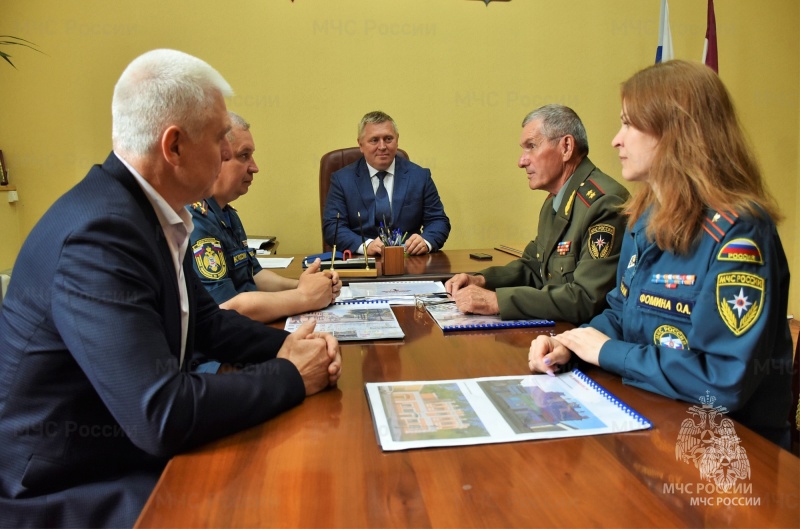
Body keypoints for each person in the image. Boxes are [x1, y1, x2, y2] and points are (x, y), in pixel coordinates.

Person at [0, 49, 342, 527]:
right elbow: (158, 413)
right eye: (223, 138)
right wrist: (290, 376)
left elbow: (206, 322)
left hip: (122, 451)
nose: (229, 153)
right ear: (174, 146)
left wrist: (289, 344)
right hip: (67, 487)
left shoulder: (146, 212)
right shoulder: (100, 235)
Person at [529, 60, 792, 448]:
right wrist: (572, 344)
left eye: (629, 125)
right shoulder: (644, 217)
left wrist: (608, 353)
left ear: (677, 132)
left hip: (729, 452)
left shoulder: (740, 231)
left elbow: (723, 382)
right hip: (651, 422)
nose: (616, 139)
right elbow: (622, 312)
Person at [446, 105, 629, 325]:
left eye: (531, 146)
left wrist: (498, 301)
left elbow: (586, 299)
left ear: (566, 147)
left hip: (583, 340)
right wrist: (481, 279)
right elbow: (534, 266)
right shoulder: (555, 200)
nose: (521, 161)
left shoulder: (603, 203)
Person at [189, 111, 341, 327]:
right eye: (244, 156)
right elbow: (228, 308)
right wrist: (304, 297)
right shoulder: (196, 218)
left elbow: (254, 275)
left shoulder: (226, 213)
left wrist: (305, 285)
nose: (255, 167)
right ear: (215, 158)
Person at [322, 111, 450, 256]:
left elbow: (438, 221)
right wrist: (366, 245)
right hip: (362, 262)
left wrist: (426, 241)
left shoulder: (420, 176)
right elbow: (333, 227)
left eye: (388, 139)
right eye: (374, 140)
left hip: (409, 260)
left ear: (397, 140)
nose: (382, 146)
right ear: (361, 144)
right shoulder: (342, 180)